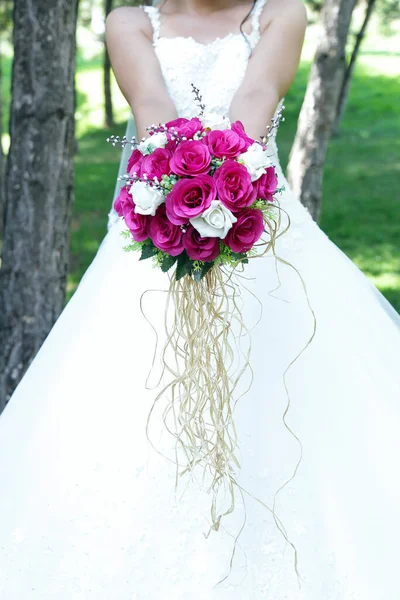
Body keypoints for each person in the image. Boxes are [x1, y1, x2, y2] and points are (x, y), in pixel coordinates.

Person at [0, 0, 399, 597]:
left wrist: (222, 199)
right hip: (156, 231)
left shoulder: (280, 14)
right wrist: (179, 201)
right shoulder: (130, 23)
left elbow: (255, 102)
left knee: (281, 395)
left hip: (259, 227)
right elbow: (154, 112)